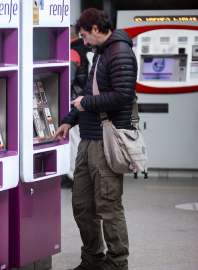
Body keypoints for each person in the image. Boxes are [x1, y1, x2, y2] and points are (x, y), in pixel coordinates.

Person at [53, 8, 137, 270]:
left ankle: (116, 263)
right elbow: (89, 94)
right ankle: (92, 259)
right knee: (82, 204)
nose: (84, 41)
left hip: (105, 141)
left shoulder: (119, 52)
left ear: (96, 29)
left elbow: (123, 95)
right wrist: (69, 119)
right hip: (88, 139)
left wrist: (85, 103)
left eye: (85, 35)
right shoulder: (101, 53)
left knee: (108, 206)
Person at [61, 25, 92, 188]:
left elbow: (68, 79)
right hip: (88, 99)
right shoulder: (87, 47)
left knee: (74, 139)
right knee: (81, 139)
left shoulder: (73, 50)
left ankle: (73, 176)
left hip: (74, 100)